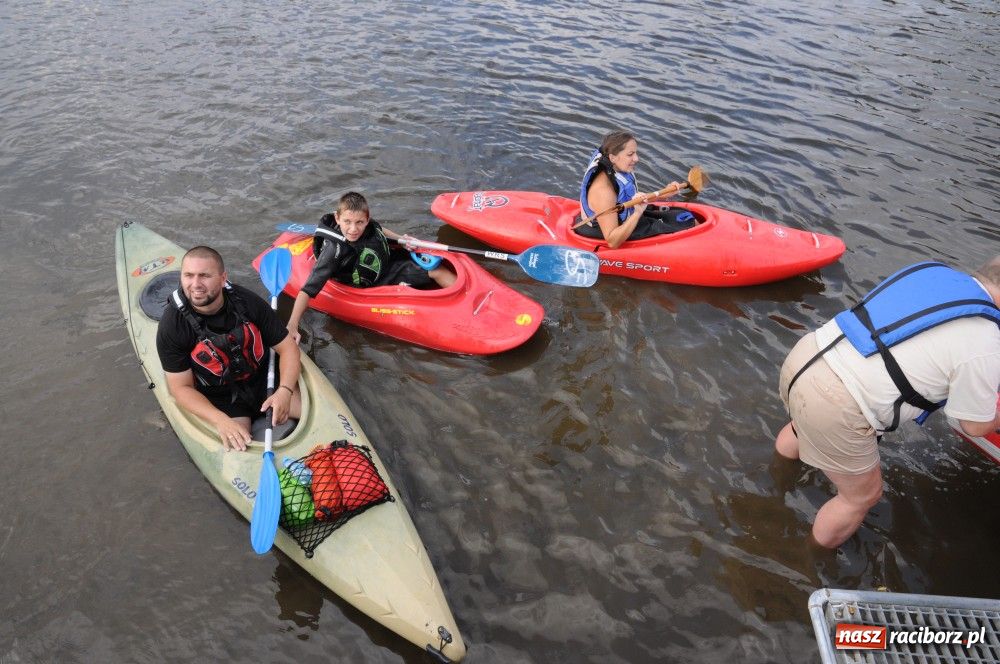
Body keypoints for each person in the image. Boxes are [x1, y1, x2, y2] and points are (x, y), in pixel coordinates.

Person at [775, 257, 1000, 548]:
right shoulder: (986, 341)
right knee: (861, 497)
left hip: (809, 354)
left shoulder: (933, 272)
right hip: (837, 401)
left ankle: (776, 480)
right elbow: (974, 425)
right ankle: (809, 560)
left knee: (801, 426)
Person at [156, 246, 302, 452]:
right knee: (237, 450)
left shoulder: (247, 302)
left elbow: (288, 349)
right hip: (222, 398)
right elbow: (180, 388)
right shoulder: (173, 326)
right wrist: (219, 420)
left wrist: (285, 391)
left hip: (264, 381)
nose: (195, 284)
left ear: (223, 278)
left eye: (204, 276)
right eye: (188, 275)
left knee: (317, 414)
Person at [286, 191, 456, 340]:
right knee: (436, 271)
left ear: (366, 219)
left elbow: (379, 230)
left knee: (437, 263)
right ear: (337, 218)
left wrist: (401, 240)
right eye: (347, 222)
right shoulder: (333, 252)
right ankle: (465, 308)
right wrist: (293, 324)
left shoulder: (365, 223)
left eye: (359, 222)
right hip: (373, 279)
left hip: (384, 259)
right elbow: (308, 289)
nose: (353, 229)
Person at [575, 130, 695, 248]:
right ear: (612, 157)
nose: (636, 158)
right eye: (630, 154)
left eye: (635, 153)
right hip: (609, 232)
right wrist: (637, 213)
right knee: (687, 225)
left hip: (625, 216)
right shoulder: (603, 191)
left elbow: (626, 198)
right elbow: (612, 242)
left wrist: (663, 194)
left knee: (684, 215)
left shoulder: (614, 166)